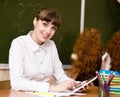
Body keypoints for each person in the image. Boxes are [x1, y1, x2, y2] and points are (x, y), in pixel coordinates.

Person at [9, 7, 79, 92]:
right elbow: (16, 83)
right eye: (45, 24)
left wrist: (76, 85)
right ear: (35, 21)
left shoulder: (51, 45)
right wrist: (52, 88)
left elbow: (60, 76)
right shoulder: (19, 44)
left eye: (53, 28)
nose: (48, 31)